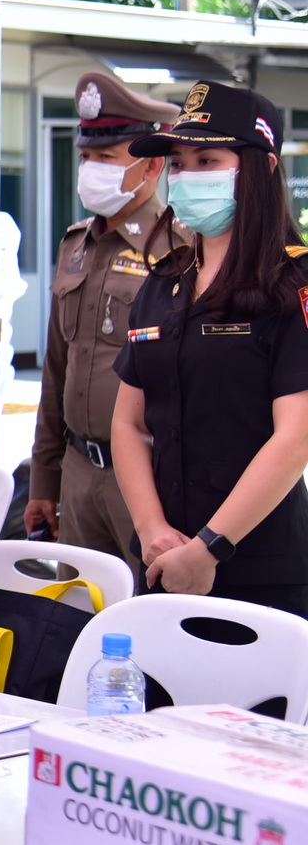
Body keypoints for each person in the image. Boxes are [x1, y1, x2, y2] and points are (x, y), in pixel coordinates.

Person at [112, 81, 308, 619]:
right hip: (162, 563)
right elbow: (129, 422)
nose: (187, 176)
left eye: (207, 161)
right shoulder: (165, 281)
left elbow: (295, 437)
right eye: (179, 163)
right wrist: (152, 530)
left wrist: (209, 548)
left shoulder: (294, 284)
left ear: (263, 167)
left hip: (259, 572)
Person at [25, 71, 178, 576]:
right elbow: (56, 371)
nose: (91, 169)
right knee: (76, 606)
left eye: (106, 158)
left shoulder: (180, 250)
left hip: (148, 477)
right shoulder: (75, 245)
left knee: (150, 608)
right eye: (86, 156)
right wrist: (44, 480)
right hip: (77, 472)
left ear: (151, 165)